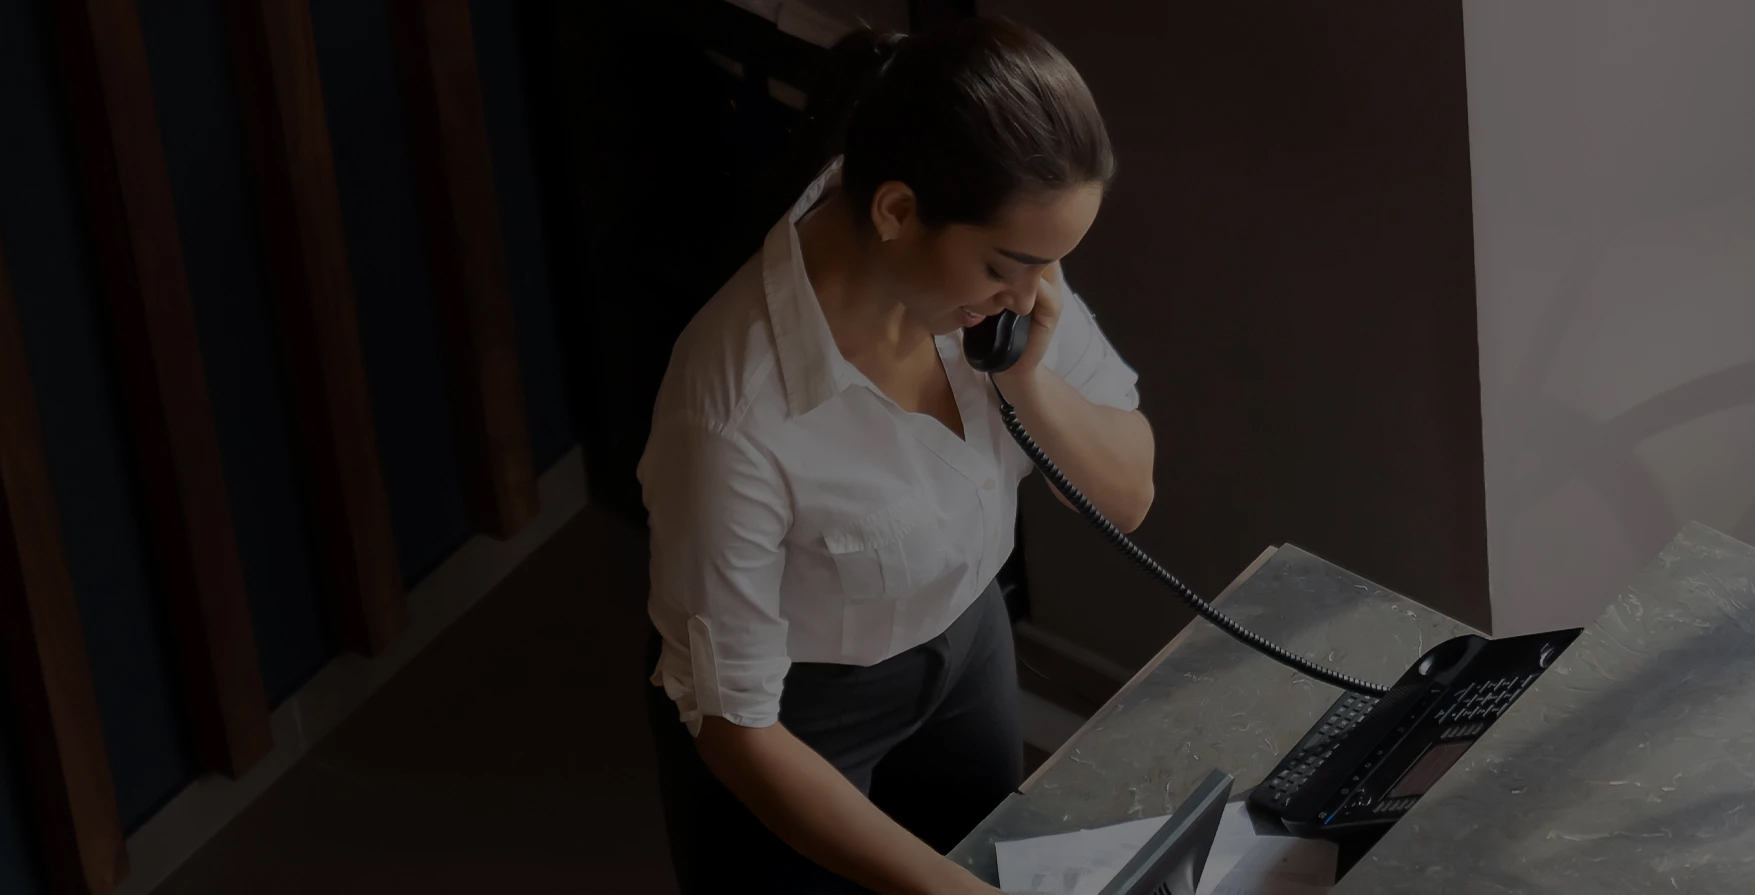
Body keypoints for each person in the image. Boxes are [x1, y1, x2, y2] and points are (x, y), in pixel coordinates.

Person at [640, 17, 1154, 895]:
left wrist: (1029, 383)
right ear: (896, 211)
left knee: (986, 847)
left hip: (966, 643)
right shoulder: (730, 414)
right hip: (796, 720)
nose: (1033, 296)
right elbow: (735, 728)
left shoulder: (1004, 287)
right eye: (1010, 267)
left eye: (1051, 265)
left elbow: (1127, 494)